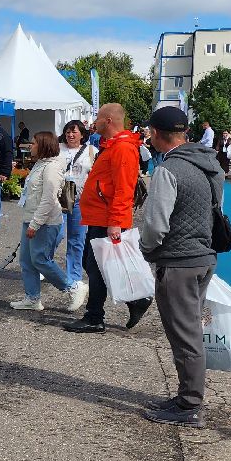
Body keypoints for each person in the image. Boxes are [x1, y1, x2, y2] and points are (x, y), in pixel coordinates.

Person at [138, 106, 224, 427]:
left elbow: (156, 226)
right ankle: (186, 396)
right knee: (190, 329)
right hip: (204, 256)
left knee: (185, 334)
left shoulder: (168, 170)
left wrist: (145, 251)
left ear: (157, 134)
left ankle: (189, 404)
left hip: (178, 262)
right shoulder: (208, 164)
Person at [63, 103, 152, 334]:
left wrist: (115, 222)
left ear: (109, 120)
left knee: (97, 267)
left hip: (107, 218)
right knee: (95, 265)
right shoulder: (114, 146)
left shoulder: (122, 148)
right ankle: (133, 302)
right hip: (100, 215)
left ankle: (95, 316)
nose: (94, 122)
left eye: (99, 118)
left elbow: (124, 189)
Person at [12, 131, 80, 311]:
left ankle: (72, 287)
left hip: (45, 222)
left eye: (34, 143)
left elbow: (49, 198)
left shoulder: (52, 167)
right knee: (26, 260)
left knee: (41, 259)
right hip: (32, 217)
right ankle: (32, 297)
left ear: (43, 146)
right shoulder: (41, 164)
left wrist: (35, 223)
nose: (30, 146)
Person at [58, 120, 96, 309]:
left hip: (80, 200)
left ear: (82, 134)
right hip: (59, 199)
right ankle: (47, 268)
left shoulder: (91, 151)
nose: (70, 135)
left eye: (74, 132)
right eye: (67, 132)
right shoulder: (58, 149)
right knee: (55, 234)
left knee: (77, 240)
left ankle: (74, 278)